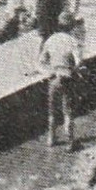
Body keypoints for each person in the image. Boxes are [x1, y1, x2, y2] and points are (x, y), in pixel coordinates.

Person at [38, 10, 80, 149]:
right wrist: (73, 69)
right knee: (68, 110)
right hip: (67, 78)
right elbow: (79, 61)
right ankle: (70, 142)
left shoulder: (51, 40)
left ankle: (51, 139)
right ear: (71, 26)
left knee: (52, 110)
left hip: (54, 78)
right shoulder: (72, 41)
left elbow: (41, 62)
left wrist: (50, 71)